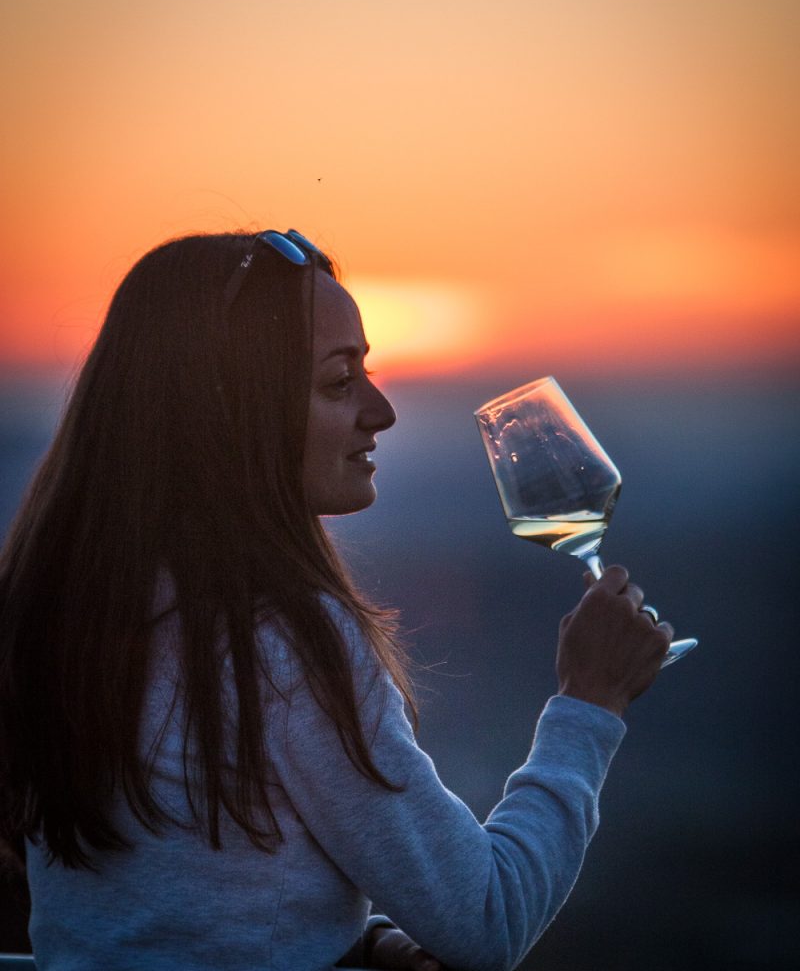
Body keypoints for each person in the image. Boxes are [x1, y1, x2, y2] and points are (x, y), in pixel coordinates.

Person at [0, 230, 671, 971]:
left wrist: (345, 941)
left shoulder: (59, 609)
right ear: (234, 408)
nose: (381, 412)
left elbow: (164, 914)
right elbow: (486, 919)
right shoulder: (278, 641)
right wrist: (589, 706)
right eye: (337, 381)